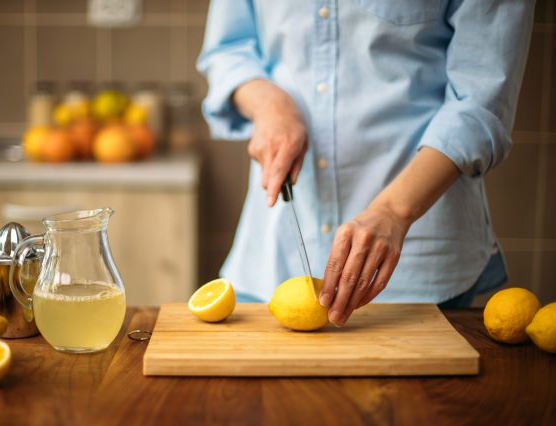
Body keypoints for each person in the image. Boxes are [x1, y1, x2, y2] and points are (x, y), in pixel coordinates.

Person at [197, 0, 534, 326]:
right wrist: (268, 103)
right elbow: (227, 50)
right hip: (272, 254)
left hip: (417, 260)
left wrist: (394, 211)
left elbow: (480, 99)